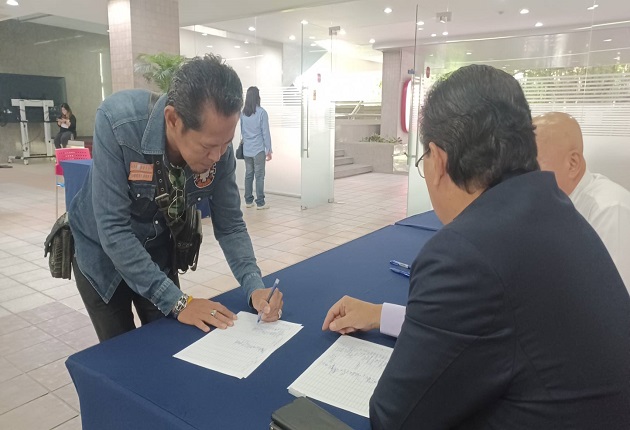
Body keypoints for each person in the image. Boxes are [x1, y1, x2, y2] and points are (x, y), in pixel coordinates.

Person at [322, 65, 630, 429]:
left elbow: (395, 419)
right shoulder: (556, 208)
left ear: (438, 160)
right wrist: (382, 315)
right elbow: (493, 326)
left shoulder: (463, 254)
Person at [69, 55, 283, 342]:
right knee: (121, 349)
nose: (217, 156)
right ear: (172, 120)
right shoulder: (118, 122)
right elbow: (113, 230)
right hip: (101, 256)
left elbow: (231, 225)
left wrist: (254, 286)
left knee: (169, 344)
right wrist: (179, 302)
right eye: (208, 146)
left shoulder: (218, 148)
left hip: (157, 252)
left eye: (226, 144)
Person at [534, 111, 630, 291]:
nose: (523, 176)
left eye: (533, 166)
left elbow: (613, 296)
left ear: (573, 163)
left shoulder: (610, 209)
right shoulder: (548, 203)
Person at [240, 86, 272, 209]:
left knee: (248, 175)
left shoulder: (243, 114)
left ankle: (248, 201)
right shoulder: (262, 113)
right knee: (259, 176)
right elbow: (265, 133)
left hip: (247, 150)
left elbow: (242, 131)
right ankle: (260, 203)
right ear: (258, 97)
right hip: (258, 150)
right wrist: (268, 149)